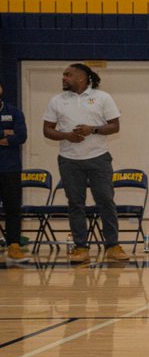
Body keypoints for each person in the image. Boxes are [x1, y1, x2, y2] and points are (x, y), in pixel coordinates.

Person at [42, 63, 129, 262]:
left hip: (99, 158)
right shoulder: (57, 101)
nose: (64, 78)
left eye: (68, 75)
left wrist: (94, 130)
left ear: (82, 77)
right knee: (75, 204)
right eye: (64, 74)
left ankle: (113, 246)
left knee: (106, 201)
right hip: (69, 160)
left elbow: (115, 126)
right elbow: (47, 130)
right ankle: (80, 247)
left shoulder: (103, 98)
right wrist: (66, 135)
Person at [1, 81, 29, 260]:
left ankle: (14, 246)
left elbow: (21, 136)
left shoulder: (13, 112)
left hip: (9, 169)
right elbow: (11, 135)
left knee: (13, 209)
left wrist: (10, 136)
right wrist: (5, 133)